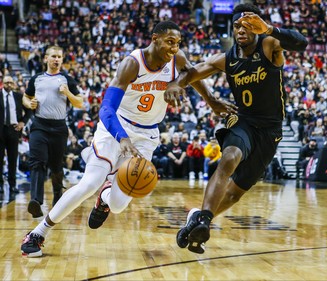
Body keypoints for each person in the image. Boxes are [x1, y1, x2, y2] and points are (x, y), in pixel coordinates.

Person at [20, 21, 236, 257]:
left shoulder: (177, 58)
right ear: (154, 39)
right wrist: (121, 138)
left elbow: (192, 75)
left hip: (147, 135)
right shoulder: (132, 64)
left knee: (119, 205)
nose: (174, 48)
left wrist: (211, 100)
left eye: (178, 43)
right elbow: (106, 109)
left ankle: (104, 198)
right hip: (116, 127)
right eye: (169, 42)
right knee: (89, 183)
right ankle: (39, 233)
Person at [165, 3, 308, 253]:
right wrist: (176, 83)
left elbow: (301, 43)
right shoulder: (226, 58)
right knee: (229, 157)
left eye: (246, 25)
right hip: (243, 120)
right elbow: (192, 73)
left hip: (271, 130)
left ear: (257, 27)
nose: (241, 30)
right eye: (236, 26)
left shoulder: (270, 45)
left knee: (234, 194)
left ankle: (197, 217)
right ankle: (204, 221)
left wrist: (270, 29)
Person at [22, 45, 83, 218]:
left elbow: (79, 102)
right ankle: (35, 201)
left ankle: (58, 195)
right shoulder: (36, 79)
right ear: (46, 59)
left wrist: (68, 93)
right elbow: (27, 97)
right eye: (53, 56)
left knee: (56, 166)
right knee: (37, 162)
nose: (57, 59)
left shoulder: (67, 79)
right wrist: (29, 104)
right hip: (39, 125)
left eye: (59, 57)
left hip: (59, 127)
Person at [0, 76, 32, 194]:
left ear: (13, 84)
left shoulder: (19, 97)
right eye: (7, 82)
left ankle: (12, 185)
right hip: (1, 130)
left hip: (13, 130)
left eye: (11, 82)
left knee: (13, 159)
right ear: (3, 83)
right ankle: (0, 185)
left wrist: (23, 122)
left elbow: (29, 110)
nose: (9, 84)